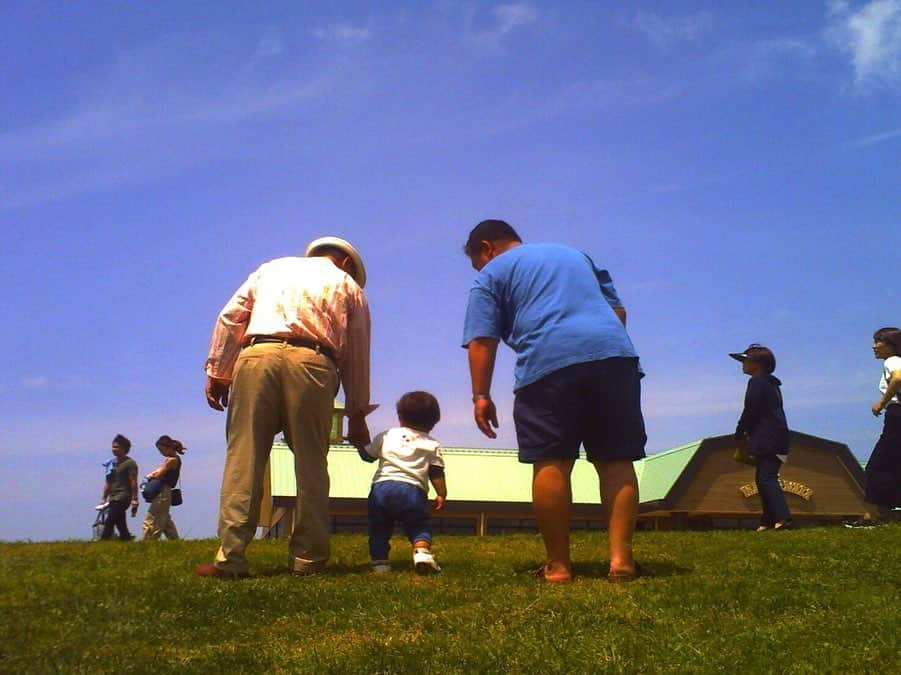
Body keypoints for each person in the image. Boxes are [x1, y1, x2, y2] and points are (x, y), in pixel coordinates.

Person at [461, 219, 646, 583]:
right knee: (616, 460)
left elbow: (482, 339)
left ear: (486, 247)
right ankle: (622, 562)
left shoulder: (491, 274)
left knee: (552, 462)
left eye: (477, 261)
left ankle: (559, 566)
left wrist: (480, 395)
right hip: (614, 356)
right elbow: (618, 312)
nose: (480, 268)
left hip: (547, 363)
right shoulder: (575, 255)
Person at [197, 236, 373, 578]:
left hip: (256, 354)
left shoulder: (271, 268)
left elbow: (231, 317)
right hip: (314, 361)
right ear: (348, 263)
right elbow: (357, 353)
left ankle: (231, 557)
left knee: (243, 459)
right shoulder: (348, 285)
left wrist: (219, 371)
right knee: (311, 463)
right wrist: (357, 413)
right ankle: (307, 559)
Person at [357, 391, 447, 574]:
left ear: (400, 416)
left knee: (379, 528)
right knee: (418, 525)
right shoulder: (432, 444)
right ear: (433, 422)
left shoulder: (386, 435)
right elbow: (436, 472)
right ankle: (422, 552)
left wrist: (359, 440)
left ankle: (380, 563)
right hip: (413, 491)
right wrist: (441, 493)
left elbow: (367, 456)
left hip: (382, 488)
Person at [730, 344, 792, 531]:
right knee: (763, 477)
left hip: (768, 438)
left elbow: (751, 408)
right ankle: (768, 520)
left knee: (766, 478)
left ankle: (783, 518)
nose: (743, 364)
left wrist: (740, 431)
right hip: (779, 439)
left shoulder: (757, 382)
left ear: (757, 364)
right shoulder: (772, 384)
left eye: (745, 360)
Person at [846, 327, 901, 528]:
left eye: (878, 342)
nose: (874, 346)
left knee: (877, 466)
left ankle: (870, 516)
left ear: (891, 345)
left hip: (897, 415)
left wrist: (882, 402)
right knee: (893, 466)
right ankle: (885, 512)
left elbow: (898, 378)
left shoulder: (893, 360)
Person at [141, 435, 185, 540]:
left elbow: (159, 474)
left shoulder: (171, 460)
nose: (161, 452)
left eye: (161, 450)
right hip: (165, 492)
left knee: (152, 518)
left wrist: (151, 476)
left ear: (168, 447)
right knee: (165, 520)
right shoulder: (174, 459)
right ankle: (175, 542)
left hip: (162, 492)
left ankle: (148, 541)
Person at [98, 434, 139, 540]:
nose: (114, 449)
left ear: (124, 448)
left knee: (110, 520)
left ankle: (103, 540)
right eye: (113, 447)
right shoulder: (111, 463)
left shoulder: (130, 463)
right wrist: (104, 498)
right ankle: (126, 539)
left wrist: (134, 498)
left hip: (123, 496)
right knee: (120, 524)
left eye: (117, 447)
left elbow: (133, 481)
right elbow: (108, 482)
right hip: (113, 496)